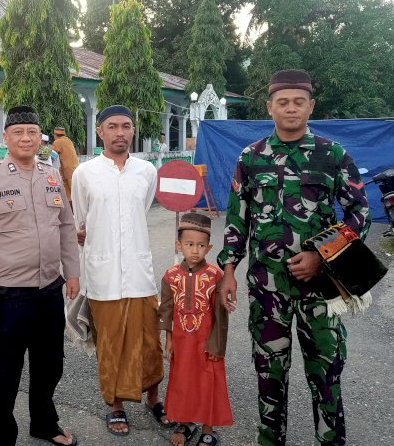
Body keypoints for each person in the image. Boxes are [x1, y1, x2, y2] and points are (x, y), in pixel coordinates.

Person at [217, 69, 371, 446]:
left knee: (326, 375)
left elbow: (360, 215)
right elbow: (237, 219)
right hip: (267, 291)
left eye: (298, 102)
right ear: (270, 107)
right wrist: (228, 270)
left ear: (310, 106)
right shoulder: (250, 158)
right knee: (269, 375)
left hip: (320, 290)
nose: (290, 109)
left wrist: (321, 255)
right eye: (282, 102)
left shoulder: (333, 156)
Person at [0, 105, 80, 446]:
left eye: (32, 132)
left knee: (49, 367)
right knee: (4, 373)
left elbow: (65, 226)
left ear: (40, 138)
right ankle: (1, 438)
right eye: (18, 132)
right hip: (7, 294)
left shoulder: (51, 175)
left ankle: (44, 423)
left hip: (48, 291)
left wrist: (71, 272)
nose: (26, 138)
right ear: (6, 138)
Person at [70, 105, 168, 436]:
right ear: (100, 132)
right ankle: (116, 405)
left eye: (126, 126)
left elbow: (142, 210)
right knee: (110, 343)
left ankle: (154, 398)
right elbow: (81, 222)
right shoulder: (84, 174)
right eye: (112, 127)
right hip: (103, 274)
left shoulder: (146, 171)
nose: (120, 133)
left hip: (140, 274)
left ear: (133, 130)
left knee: (149, 341)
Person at [158, 212, 232, 446]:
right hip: (181, 341)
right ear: (178, 245)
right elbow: (167, 310)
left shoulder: (215, 275)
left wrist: (216, 344)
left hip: (206, 341)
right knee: (183, 381)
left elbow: (220, 316)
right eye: (189, 245)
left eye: (201, 246)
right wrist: (169, 340)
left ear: (208, 248)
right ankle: (187, 422)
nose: (195, 251)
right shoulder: (170, 276)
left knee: (208, 382)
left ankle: (209, 428)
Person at [51, 126, 78, 199]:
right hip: (75, 169)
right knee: (73, 194)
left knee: (71, 196)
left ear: (55, 135)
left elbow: (50, 156)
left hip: (67, 171)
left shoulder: (58, 142)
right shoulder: (68, 140)